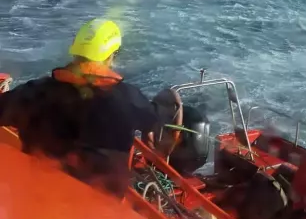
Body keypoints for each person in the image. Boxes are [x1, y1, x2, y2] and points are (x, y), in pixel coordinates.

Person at [0, 17, 176, 196]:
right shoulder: (128, 99)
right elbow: (157, 120)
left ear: (75, 53)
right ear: (110, 56)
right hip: (99, 207)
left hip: (38, 195)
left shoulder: (35, 93)